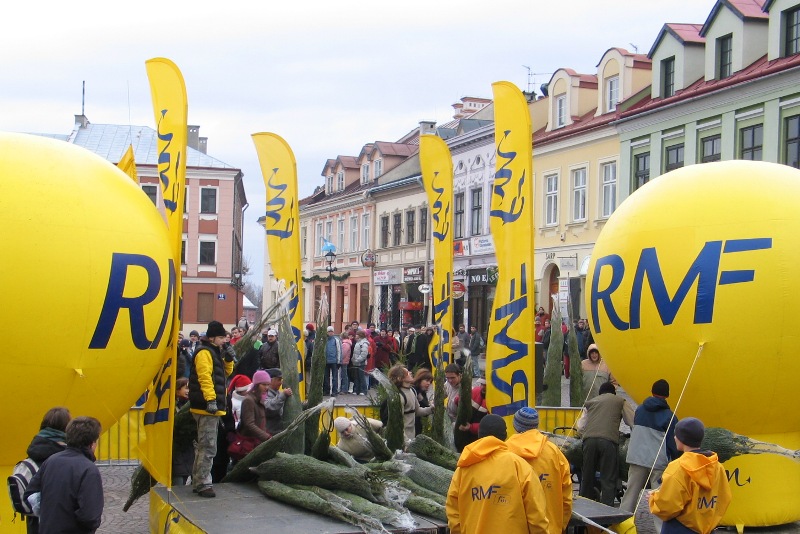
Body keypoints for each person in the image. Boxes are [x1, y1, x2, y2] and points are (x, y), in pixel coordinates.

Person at [446, 414, 549, 534]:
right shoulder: (520, 466)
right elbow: (537, 516)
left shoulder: (463, 469)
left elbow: (453, 514)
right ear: (505, 436)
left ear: (479, 435)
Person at [649, 417, 732, 534]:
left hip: (679, 529)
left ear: (681, 440)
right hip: (707, 529)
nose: (674, 438)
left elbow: (667, 506)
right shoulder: (717, 466)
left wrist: (654, 499)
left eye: (676, 435)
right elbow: (724, 497)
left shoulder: (678, 468)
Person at [25, 416, 104, 534]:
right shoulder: (89, 470)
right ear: (92, 444)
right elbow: (89, 516)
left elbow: (30, 493)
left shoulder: (51, 461)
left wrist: (48, 513)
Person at [620, 379, 679, 528]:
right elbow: (673, 444)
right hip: (657, 462)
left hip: (637, 457)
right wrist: (676, 459)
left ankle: (621, 525)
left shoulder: (640, 410)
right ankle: (661, 530)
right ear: (667, 395)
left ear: (652, 392)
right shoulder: (670, 416)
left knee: (630, 494)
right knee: (659, 499)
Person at [506, 407, 572, 534]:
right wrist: (560, 525)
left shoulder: (505, 452)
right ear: (536, 426)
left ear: (515, 426)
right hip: (550, 529)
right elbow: (566, 495)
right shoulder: (554, 452)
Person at [188, 320, 234, 498]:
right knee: (208, 446)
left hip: (209, 406)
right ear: (212, 337)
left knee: (204, 446)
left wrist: (228, 360)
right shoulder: (204, 353)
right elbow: (205, 377)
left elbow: (224, 374)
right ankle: (203, 483)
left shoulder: (214, 352)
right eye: (221, 337)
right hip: (206, 407)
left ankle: (198, 480)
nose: (224, 340)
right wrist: (211, 400)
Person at [577, 381, 634, 506]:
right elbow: (631, 421)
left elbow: (580, 427)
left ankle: (584, 507)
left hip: (589, 441)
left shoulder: (591, 403)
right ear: (614, 393)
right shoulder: (620, 401)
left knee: (587, 476)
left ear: (600, 393)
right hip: (608, 441)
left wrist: (586, 435)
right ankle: (606, 509)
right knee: (608, 478)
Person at [22, 407, 71, 534]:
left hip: (34, 520)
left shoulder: (35, 447)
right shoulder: (64, 453)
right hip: (57, 520)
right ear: (66, 428)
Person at [388, 364, 432, 443]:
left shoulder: (412, 391)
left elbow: (418, 411)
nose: (410, 373)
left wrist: (431, 409)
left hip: (412, 437)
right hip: (403, 441)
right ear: (400, 378)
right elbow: (397, 424)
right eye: (407, 373)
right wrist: (406, 441)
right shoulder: (400, 397)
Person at [452, 377, 489, 452]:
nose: (482, 387)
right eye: (482, 384)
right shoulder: (476, 391)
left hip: (479, 440)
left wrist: (471, 427)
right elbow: (460, 399)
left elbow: (489, 426)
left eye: (485, 385)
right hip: (465, 435)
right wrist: (458, 399)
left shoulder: (495, 402)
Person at [238, 370, 272, 444]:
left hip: (258, 442)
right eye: (264, 384)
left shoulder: (259, 399)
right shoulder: (248, 400)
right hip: (249, 443)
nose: (266, 387)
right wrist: (267, 437)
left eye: (268, 384)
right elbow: (249, 424)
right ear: (256, 385)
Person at [172, 378, 194, 487]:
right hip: (177, 449)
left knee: (184, 475)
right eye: (186, 388)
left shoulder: (191, 406)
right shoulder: (173, 406)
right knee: (178, 481)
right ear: (177, 390)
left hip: (188, 449)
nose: (188, 391)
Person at [264, 368, 293, 435]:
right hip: (269, 434)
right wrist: (283, 395)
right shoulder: (264, 393)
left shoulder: (279, 393)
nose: (281, 383)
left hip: (279, 432)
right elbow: (269, 407)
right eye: (279, 380)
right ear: (270, 380)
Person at [412, 368, 433, 436]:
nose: (428, 383)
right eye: (426, 380)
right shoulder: (413, 391)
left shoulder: (422, 392)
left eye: (430, 382)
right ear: (419, 379)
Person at [323, 326, 342, 396]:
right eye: (329, 331)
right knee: (326, 377)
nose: (330, 333)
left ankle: (335, 391)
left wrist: (339, 361)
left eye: (331, 331)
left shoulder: (336, 340)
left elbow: (339, 350)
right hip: (326, 361)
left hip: (334, 361)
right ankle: (327, 390)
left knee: (335, 377)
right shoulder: (324, 340)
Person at [350, 329, 370, 395]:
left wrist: (358, 359)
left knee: (361, 376)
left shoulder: (364, 343)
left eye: (357, 335)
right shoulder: (358, 342)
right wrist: (353, 359)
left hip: (361, 363)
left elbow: (364, 353)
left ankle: (363, 390)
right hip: (355, 362)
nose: (355, 336)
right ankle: (356, 390)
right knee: (356, 377)